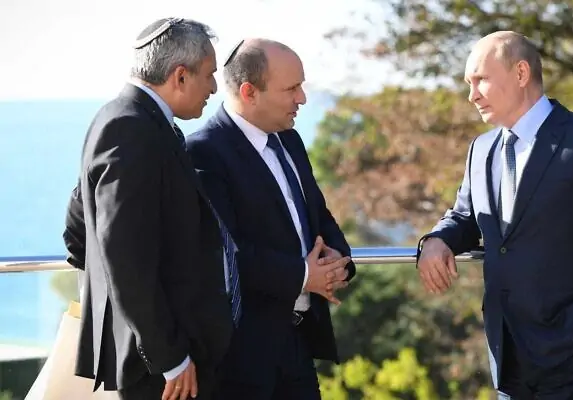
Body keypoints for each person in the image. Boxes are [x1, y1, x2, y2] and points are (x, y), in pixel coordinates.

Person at [416, 31, 573, 399]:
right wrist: (437, 239)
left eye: (480, 79)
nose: (472, 95)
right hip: (506, 354)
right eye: (469, 83)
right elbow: (465, 215)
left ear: (521, 73)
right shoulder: (481, 149)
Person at [62, 17, 234, 400]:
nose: (214, 87)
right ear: (180, 76)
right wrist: (167, 354)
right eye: (209, 74)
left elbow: (78, 228)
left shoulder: (122, 118)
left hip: (166, 354)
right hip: (163, 368)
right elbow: (122, 255)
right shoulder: (132, 129)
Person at [185, 38, 356, 399]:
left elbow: (317, 215)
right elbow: (226, 254)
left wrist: (338, 260)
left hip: (298, 344)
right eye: (291, 89)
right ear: (249, 92)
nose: (302, 98)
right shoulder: (203, 152)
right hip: (242, 360)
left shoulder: (289, 140)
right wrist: (305, 276)